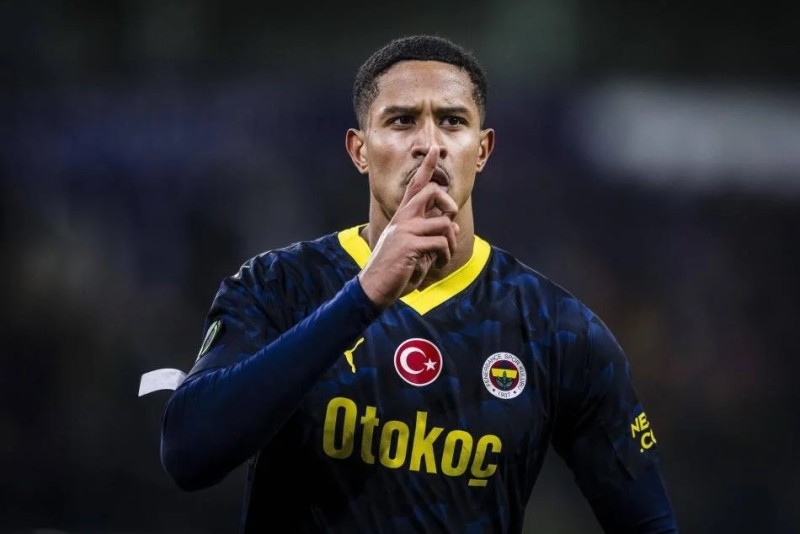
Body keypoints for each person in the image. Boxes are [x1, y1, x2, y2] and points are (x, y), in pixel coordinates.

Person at [157, 34, 678, 533]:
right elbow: (188, 453)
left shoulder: (559, 330)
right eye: (402, 121)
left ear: (482, 150)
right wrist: (363, 297)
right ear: (359, 150)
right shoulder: (278, 285)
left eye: (453, 121)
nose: (429, 145)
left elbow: (650, 523)